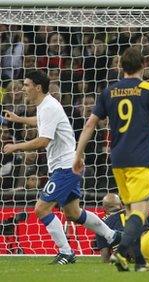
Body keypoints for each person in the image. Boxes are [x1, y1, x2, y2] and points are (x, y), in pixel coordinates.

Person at [72, 46, 149, 272]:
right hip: (140, 158)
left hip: (117, 158)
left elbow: (90, 124)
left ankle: (139, 262)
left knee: (129, 211)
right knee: (141, 210)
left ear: (121, 67)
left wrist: (78, 155)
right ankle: (120, 254)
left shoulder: (109, 91)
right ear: (144, 65)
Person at [2, 70, 118, 264]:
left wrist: (16, 146)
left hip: (66, 167)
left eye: (26, 85)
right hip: (66, 166)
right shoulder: (45, 105)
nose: (23, 88)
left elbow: (43, 141)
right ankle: (113, 236)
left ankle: (66, 252)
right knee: (73, 213)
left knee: (41, 209)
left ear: (37, 88)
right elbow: (41, 122)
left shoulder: (48, 107)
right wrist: (19, 119)